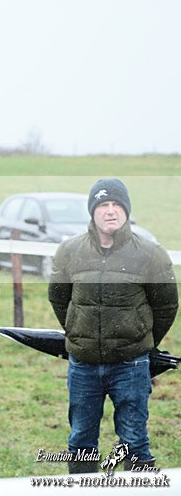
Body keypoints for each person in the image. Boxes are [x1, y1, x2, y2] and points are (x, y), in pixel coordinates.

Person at [48, 178, 177, 473]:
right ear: (92, 211)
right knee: (81, 440)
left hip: (131, 366)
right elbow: (59, 299)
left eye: (117, 205)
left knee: (134, 441)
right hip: (83, 366)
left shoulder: (150, 254)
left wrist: (141, 341)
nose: (110, 211)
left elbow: (167, 306)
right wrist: (79, 333)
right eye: (103, 205)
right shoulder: (69, 251)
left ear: (127, 211)